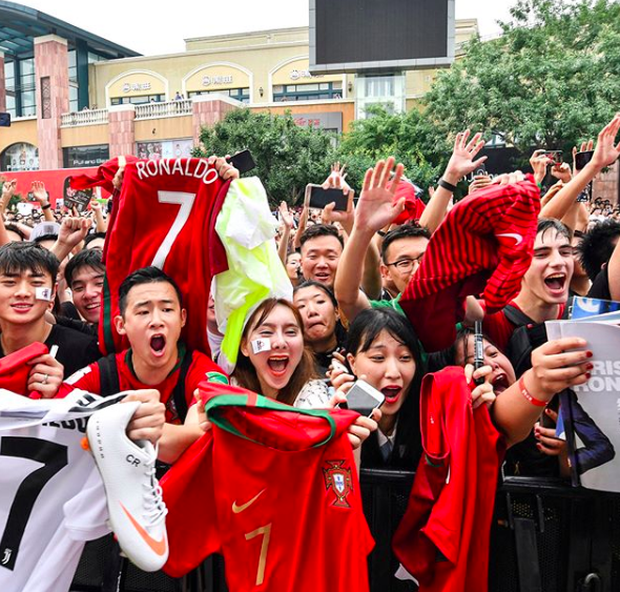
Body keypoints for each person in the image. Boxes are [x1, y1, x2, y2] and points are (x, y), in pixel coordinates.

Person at [58, 266, 228, 464]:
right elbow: (49, 417)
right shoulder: (103, 372)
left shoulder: (203, 372)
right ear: (121, 325)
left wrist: (126, 429)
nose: (156, 321)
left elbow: (197, 442)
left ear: (182, 318)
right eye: (143, 312)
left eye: (166, 310)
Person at [231, 297, 377, 452]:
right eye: (266, 332)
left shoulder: (315, 396)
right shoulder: (229, 393)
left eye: (290, 332)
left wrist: (327, 431)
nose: (280, 342)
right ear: (245, 346)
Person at [0, 242, 100, 382]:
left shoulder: (85, 351)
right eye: (10, 282)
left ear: (53, 292)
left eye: (36, 283)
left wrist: (63, 393)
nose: (23, 293)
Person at [293, 280, 346, 376]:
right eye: (301, 306)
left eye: (320, 301)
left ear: (337, 312)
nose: (312, 311)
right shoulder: (292, 369)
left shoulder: (356, 354)